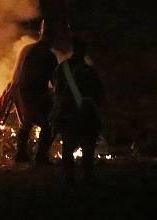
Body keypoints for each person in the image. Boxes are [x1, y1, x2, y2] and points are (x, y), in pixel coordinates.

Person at [50, 38, 104, 183]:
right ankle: (87, 175)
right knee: (88, 146)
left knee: (67, 146)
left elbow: (55, 87)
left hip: (66, 114)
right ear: (84, 52)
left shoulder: (61, 68)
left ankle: (69, 176)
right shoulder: (89, 71)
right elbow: (98, 93)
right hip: (85, 115)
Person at [12, 20, 58, 165]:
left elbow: (16, 75)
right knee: (47, 125)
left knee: (26, 123)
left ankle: (21, 155)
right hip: (36, 95)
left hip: (21, 93)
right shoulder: (49, 55)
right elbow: (55, 81)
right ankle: (41, 157)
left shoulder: (26, 49)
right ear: (52, 38)